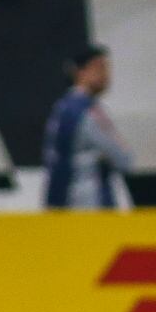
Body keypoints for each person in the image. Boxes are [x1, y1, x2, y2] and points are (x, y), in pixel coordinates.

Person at [43, 45, 133, 209]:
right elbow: (123, 158)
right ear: (79, 72)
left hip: (63, 201)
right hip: (92, 204)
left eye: (107, 68)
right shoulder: (88, 112)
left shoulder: (61, 108)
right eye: (99, 68)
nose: (106, 75)